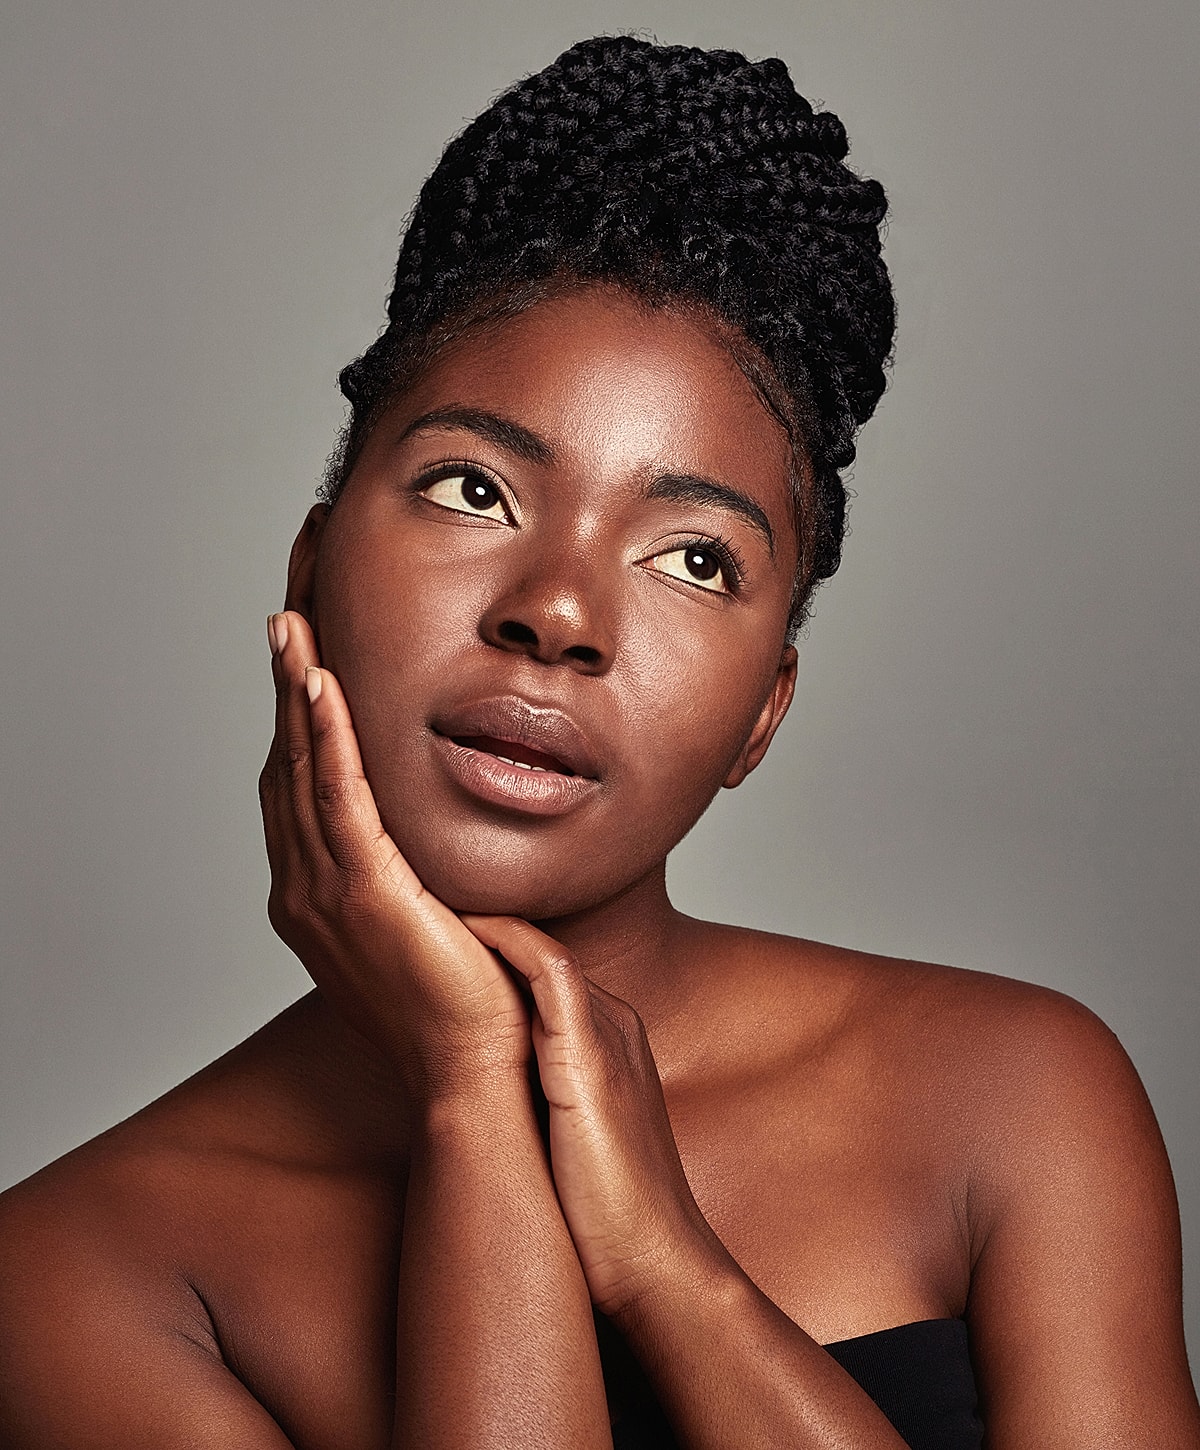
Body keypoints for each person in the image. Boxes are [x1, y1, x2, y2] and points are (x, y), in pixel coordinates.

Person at [0, 34, 1196, 1450]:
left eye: (694, 559)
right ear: (309, 566)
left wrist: (669, 1269)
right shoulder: (75, 1275)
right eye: (474, 488)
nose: (559, 612)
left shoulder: (1014, 1096)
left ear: (763, 713)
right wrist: (471, 1093)